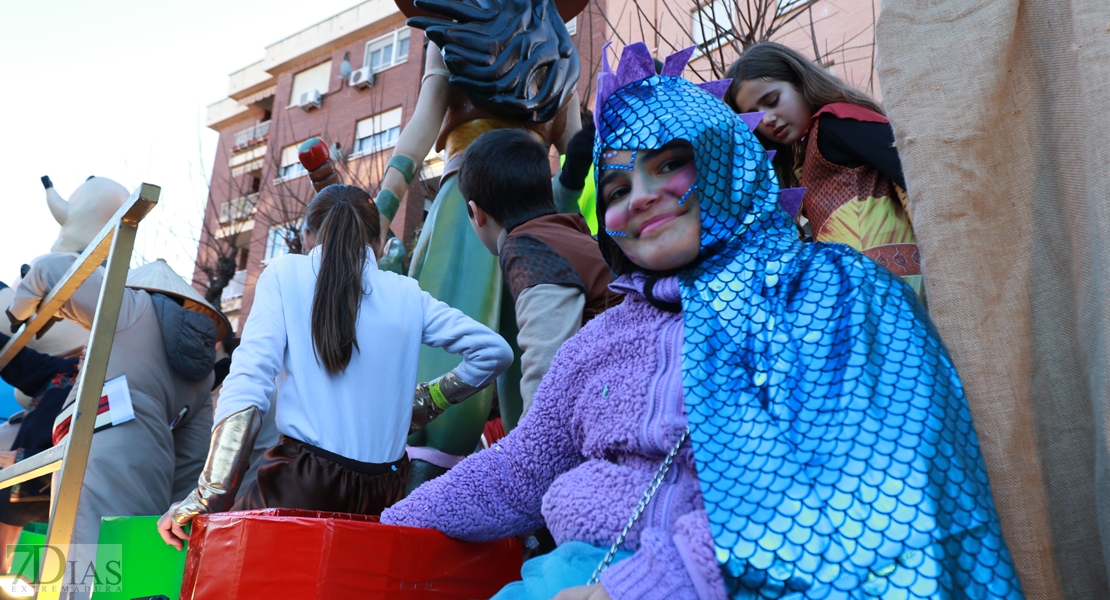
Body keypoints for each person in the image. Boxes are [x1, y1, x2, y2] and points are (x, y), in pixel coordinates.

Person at [381, 43, 1023, 599]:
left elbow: (848, 483)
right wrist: (388, 527)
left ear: (726, 163)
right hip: (569, 574)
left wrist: (637, 588)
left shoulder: (828, 291)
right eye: (616, 188)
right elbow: (520, 468)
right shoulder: (599, 341)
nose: (642, 196)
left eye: (667, 164)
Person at [158, 184, 512, 549]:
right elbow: (495, 351)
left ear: (307, 235)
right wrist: (430, 399)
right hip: (384, 491)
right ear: (377, 243)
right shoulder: (407, 293)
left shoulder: (283, 274)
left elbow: (249, 383)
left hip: (300, 483)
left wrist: (209, 496)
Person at [377, 0, 586, 486]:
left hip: (529, 208)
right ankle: (428, 472)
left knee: (538, 343)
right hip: (472, 205)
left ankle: (538, 475)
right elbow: (425, 121)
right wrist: (380, 208)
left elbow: (576, 144)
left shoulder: (557, 46)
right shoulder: (451, 30)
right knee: (457, 329)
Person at [8, 255, 223, 595]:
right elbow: (192, 462)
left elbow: (50, 270)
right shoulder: (204, 372)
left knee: (78, 568)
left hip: (97, 452)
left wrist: (18, 316)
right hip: (154, 471)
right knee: (120, 574)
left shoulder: (131, 308)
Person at [727, 42, 923, 297]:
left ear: (800, 82)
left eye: (772, 101)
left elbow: (917, 172)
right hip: (862, 294)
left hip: (888, 290)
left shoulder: (834, 126)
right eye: (753, 116)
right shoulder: (807, 151)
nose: (766, 119)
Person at [460, 129, 620, 414]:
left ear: (477, 213)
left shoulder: (527, 250)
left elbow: (547, 366)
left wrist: (530, 447)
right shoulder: (565, 232)